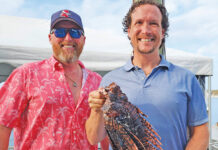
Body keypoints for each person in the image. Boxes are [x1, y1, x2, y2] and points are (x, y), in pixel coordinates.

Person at [86, 0, 209, 150]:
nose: (146, 30)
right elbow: (94, 137)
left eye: (153, 23)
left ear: (162, 32)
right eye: (139, 22)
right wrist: (97, 110)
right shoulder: (110, 80)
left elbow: (201, 133)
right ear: (129, 30)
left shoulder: (187, 79)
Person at [0, 9, 106, 150]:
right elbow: (3, 125)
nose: (68, 38)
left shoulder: (97, 81)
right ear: (50, 37)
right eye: (60, 32)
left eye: (75, 32)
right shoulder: (26, 74)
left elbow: (106, 128)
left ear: (83, 39)